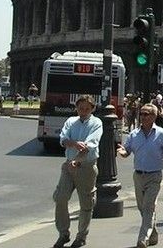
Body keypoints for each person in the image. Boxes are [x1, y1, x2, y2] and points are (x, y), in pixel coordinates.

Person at [117, 103, 163, 248]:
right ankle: (153, 234)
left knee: (148, 206)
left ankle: (142, 239)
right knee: (142, 207)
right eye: (141, 114)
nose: (142, 117)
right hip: (138, 175)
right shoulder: (134, 134)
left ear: (154, 116)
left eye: (146, 114)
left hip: (154, 175)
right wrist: (122, 152)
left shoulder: (161, 133)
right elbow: (127, 150)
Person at [51, 94, 102, 248]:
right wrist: (73, 143)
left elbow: (91, 144)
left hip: (86, 166)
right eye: (81, 108)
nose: (83, 111)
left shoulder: (96, 123)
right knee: (60, 197)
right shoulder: (71, 122)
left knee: (86, 203)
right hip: (68, 166)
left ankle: (81, 236)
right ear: (76, 108)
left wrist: (77, 160)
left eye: (87, 109)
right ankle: (63, 233)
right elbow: (63, 139)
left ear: (92, 109)